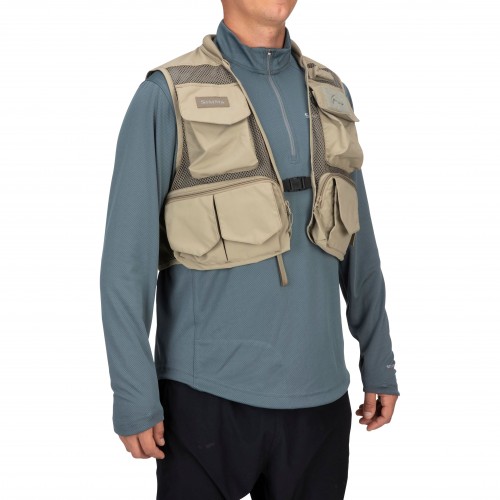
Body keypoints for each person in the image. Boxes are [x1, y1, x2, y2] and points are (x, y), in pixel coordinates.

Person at [99, 1, 400, 498]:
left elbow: (359, 242)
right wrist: (133, 393)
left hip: (320, 400)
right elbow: (125, 264)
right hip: (205, 399)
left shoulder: (329, 93)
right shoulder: (166, 94)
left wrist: (380, 358)